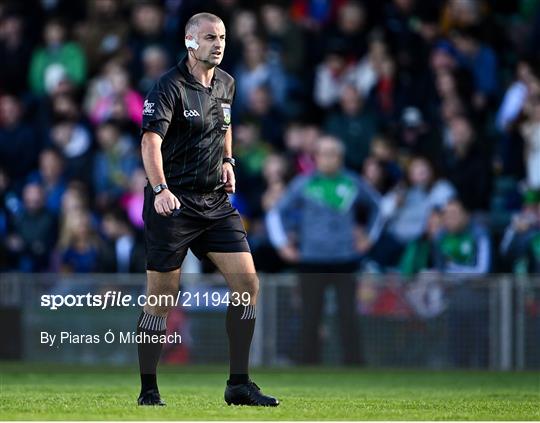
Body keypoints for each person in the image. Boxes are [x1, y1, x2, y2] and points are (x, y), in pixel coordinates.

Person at [137, 13, 278, 407]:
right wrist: (160, 189)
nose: (218, 44)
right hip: (174, 202)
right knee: (162, 297)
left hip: (214, 202)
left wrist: (229, 161)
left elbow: (225, 123)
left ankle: (238, 384)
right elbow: (150, 143)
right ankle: (148, 389)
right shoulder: (168, 87)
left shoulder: (227, 83)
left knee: (248, 285)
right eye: (210, 38)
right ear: (189, 41)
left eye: (223, 37)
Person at [266, 135, 383, 364]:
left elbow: (378, 208)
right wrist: (282, 245)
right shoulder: (303, 183)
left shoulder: (353, 182)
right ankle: (308, 365)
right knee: (310, 316)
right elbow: (276, 212)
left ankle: (354, 365)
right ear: (316, 157)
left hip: (345, 259)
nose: (328, 158)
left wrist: (369, 237)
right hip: (311, 259)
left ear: (340, 157)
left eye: (333, 154)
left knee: (348, 314)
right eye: (323, 153)